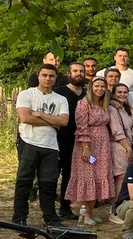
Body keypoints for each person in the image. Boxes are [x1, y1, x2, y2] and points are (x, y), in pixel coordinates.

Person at [12, 64, 69, 227]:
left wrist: (40, 114)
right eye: (44, 75)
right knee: (24, 181)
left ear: (56, 78)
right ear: (38, 76)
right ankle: (19, 217)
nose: (48, 78)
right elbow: (25, 118)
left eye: (51, 76)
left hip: (50, 145)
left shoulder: (60, 99)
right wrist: (52, 121)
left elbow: (64, 121)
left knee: (48, 183)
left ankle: (50, 218)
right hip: (29, 141)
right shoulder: (26, 94)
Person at [65, 76, 113, 225]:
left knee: (98, 176)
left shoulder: (104, 104)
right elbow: (82, 127)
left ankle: (91, 213)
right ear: (91, 88)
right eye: (96, 86)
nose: (100, 89)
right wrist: (85, 148)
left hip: (102, 145)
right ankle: (85, 215)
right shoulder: (84, 103)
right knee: (87, 176)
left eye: (102, 86)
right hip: (87, 143)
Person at [53, 62, 85, 220]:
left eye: (81, 71)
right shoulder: (59, 92)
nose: (79, 73)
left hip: (81, 140)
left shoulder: (87, 93)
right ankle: (50, 209)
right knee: (53, 174)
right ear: (68, 73)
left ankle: (65, 207)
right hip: (60, 139)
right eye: (75, 71)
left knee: (69, 174)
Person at [107, 83, 133, 221]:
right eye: (119, 92)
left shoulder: (124, 108)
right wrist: (128, 148)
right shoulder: (112, 109)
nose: (122, 95)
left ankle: (121, 208)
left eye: (125, 92)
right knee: (120, 177)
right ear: (113, 94)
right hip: (119, 146)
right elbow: (116, 131)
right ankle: (115, 210)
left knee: (123, 177)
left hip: (125, 145)